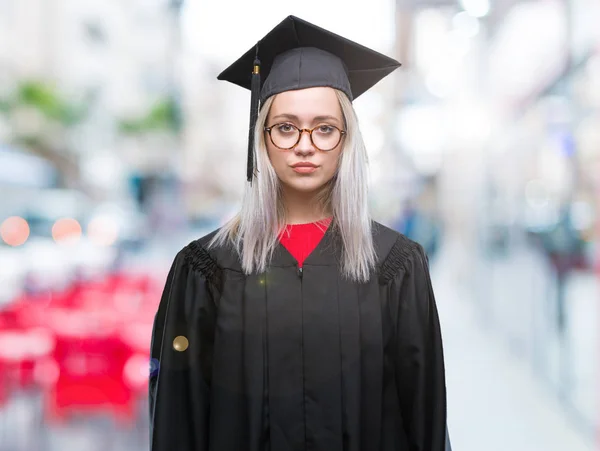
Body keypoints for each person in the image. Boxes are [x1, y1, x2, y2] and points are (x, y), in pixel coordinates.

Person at [149, 15, 451, 451]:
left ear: (348, 141)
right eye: (286, 127)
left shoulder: (396, 265)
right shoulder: (206, 269)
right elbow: (178, 419)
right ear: (262, 138)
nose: (305, 144)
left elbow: (425, 420)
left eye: (325, 128)